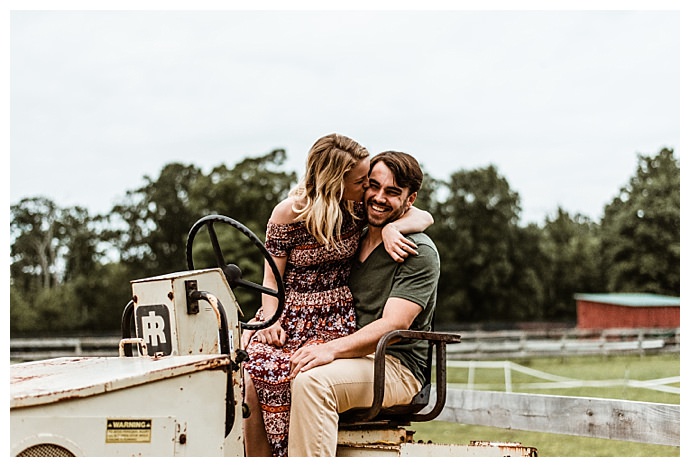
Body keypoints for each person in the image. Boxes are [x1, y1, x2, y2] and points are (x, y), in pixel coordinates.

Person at [241, 135, 433, 457]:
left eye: (393, 192)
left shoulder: (416, 251)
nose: (377, 197)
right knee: (241, 369)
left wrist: (393, 229)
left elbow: (393, 325)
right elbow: (272, 274)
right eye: (371, 185)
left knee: (311, 379)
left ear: (409, 199)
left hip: (392, 360)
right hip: (331, 336)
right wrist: (269, 314)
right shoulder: (355, 224)